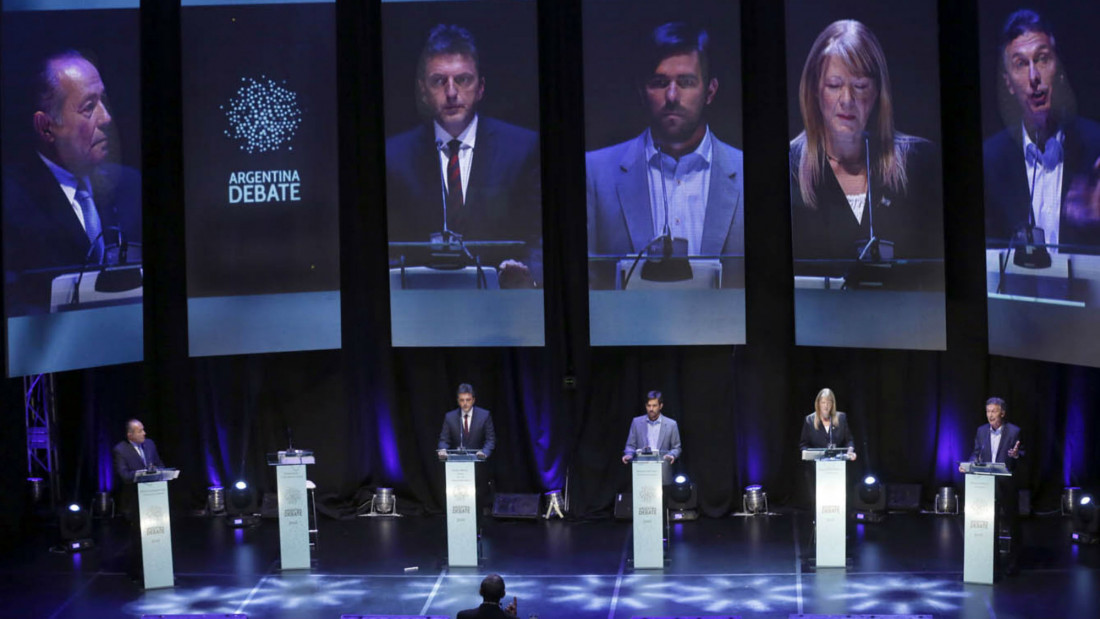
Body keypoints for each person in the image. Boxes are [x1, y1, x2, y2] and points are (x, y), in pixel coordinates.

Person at [586, 22, 744, 290]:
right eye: (659, 83)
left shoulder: (749, 174)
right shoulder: (595, 172)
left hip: (728, 331)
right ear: (641, 90)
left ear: (710, 90)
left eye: (686, 82)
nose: (672, 96)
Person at [385, 24, 542, 288]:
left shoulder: (522, 149)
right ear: (423, 90)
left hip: (502, 304)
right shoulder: (394, 157)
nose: (451, 92)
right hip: (421, 307)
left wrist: (529, 278)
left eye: (463, 80)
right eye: (439, 81)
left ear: (480, 87)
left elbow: (539, 237)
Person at [789, 20, 942, 274]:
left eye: (859, 86)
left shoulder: (919, 163)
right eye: (834, 86)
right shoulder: (790, 171)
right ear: (815, 91)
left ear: (877, 92)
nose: (846, 100)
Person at [2, 50, 142, 316]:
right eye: (89, 107)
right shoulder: (11, 203)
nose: (106, 117)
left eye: (103, 101)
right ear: (45, 127)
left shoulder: (131, 187)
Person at [984, 9, 1100, 255]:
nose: (1034, 76)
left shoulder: (1095, 146)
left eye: (1042, 59)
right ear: (1008, 82)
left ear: (1057, 67)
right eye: (1021, 64)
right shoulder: (990, 161)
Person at [960, 397, 1024, 575]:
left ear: (1002, 413)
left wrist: (1016, 454)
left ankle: (1014, 562)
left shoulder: (1014, 431)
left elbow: (1022, 454)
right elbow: (976, 453)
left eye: (994, 411)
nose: (990, 415)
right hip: (987, 485)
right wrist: (969, 464)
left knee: (1012, 523)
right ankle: (992, 561)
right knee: (990, 523)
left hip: (1007, 485)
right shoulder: (981, 431)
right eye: (988, 411)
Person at [111, 419, 164, 584]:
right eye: (140, 431)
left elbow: (159, 465)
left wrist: (158, 471)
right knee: (138, 539)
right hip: (133, 502)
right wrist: (142, 474)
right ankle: (139, 573)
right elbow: (124, 475)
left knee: (158, 535)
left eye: (143, 430)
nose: (144, 433)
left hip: (154, 499)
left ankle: (161, 569)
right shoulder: (120, 450)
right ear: (130, 435)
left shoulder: (150, 444)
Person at [798, 388, 856, 509]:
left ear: (832, 404)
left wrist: (850, 451)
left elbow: (849, 440)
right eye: (823, 402)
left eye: (829, 402)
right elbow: (803, 444)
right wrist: (806, 453)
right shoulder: (809, 420)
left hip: (836, 468)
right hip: (817, 469)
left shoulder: (841, 418)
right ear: (818, 404)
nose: (826, 406)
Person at [622, 390, 682, 484]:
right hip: (642, 471)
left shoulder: (671, 424)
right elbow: (630, 445)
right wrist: (629, 454)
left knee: (662, 498)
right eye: (648, 405)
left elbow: (676, 447)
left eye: (654, 406)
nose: (651, 409)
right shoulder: (637, 422)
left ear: (660, 406)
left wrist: (672, 455)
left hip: (662, 471)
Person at [438, 383, 496, 460]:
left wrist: (484, 452)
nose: (465, 403)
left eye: (468, 400)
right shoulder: (450, 417)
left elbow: (490, 439)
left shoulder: (484, 415)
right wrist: (443, 450)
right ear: (458, 401)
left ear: (473, 400)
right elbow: (444, 440)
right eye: (462, 400)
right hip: (457, 463)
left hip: (479, 462)